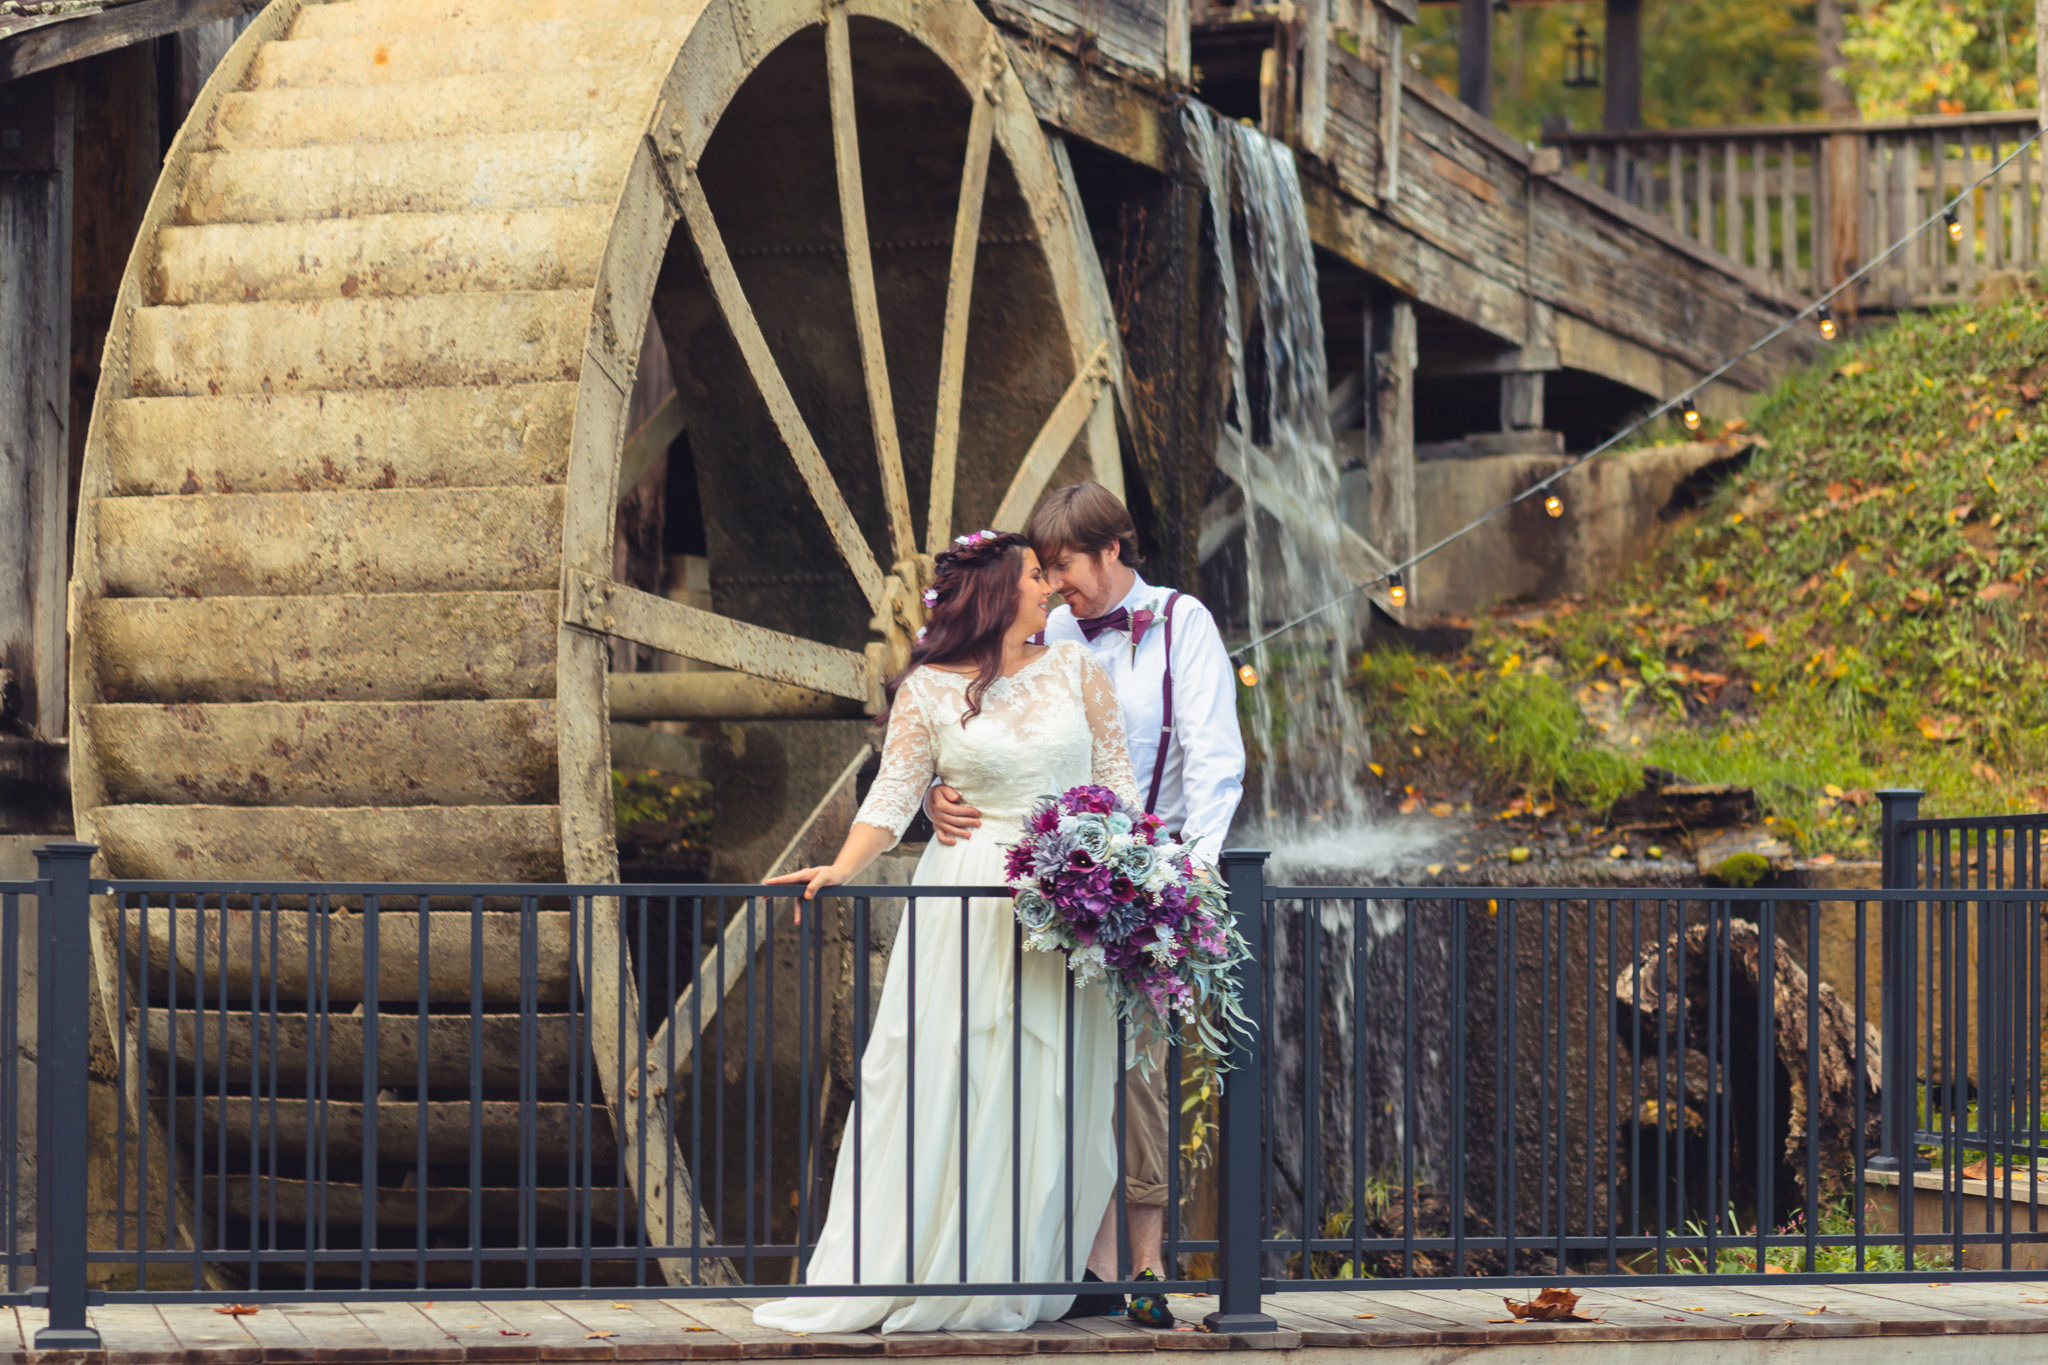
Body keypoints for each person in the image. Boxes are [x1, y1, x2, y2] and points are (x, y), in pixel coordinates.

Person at [753, 529, 1142, 1334]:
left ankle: (1016, 1270)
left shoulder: (1076, 668)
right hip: (966, 899)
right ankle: (932, 1262)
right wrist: (837, 868)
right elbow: (890, 801)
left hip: (1064, 904)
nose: (1050, 589)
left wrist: (1118, 870)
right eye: (1037, 576)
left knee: (1048, 1083)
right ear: (1000, 593)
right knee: (951, 1074)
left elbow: (1119, 783)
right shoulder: (927, 689)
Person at [928, 483, 1245, 1328]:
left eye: (1063, 564)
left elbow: (1217, 765)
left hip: (1148, 881)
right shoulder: (1048, 631)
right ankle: (1068, 1266)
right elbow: (980, 728)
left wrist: (1187, 875)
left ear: (1112, 549)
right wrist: (937, 792)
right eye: (1046, 567)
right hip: (1046, 890)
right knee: (1052, 1066)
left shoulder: (1184, 625)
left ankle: (1144, 1269)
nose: (1053, 581)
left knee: (1138, 1076)